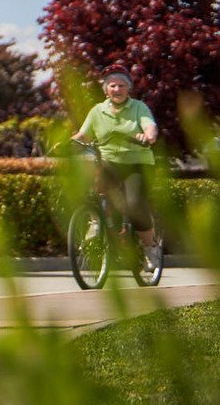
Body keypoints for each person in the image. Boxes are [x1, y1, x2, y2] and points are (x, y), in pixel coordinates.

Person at [69, 66, 161, 271]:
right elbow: (84, 135)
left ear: (128, 88)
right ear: (106, 89)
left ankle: (150, 248)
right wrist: (68, 144)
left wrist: (148, 136)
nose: (117, 89)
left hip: (137, 163)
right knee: (97, 194)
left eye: (121, 85)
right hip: (109, 162)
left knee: (134, 204)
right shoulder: (97, 111)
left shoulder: (138, 107)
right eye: (112, 85)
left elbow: (150, 125)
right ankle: (97, 223)